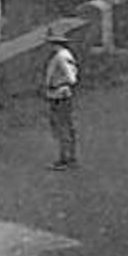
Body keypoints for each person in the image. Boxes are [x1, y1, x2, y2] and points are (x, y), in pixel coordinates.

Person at [43, 31, 79, 169]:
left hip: (60, 94)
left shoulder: (61, 57)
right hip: (57, 94)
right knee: (62, 126)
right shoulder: (60, 56)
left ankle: (67, 158)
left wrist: (58, 84)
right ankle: (67, 157)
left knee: (63, 127)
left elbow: (71, 78)